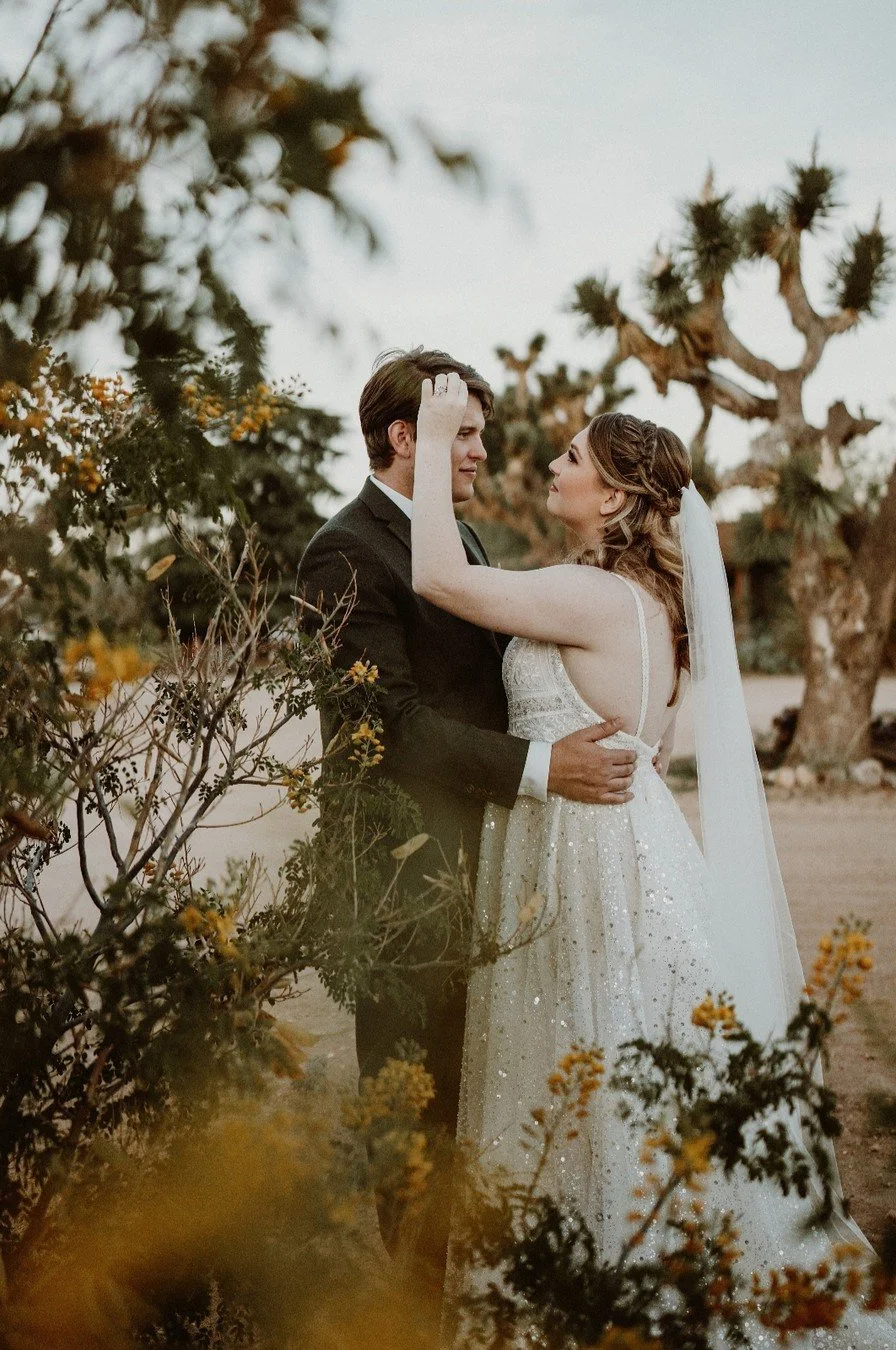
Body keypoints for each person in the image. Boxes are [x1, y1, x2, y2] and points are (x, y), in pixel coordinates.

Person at [409, 371, 895, 1347]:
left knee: (587, 1062)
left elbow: (439, 579)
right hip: (629, 849)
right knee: (622, 1062)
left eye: (572, 457)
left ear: (619, 495)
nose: (553, 464)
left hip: (582, 862)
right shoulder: (649, 605)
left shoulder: (591, 594)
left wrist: (431, 436)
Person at [296, 348, 637, 1300]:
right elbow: (387, 729)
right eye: (466, 433)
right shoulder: (344, 552)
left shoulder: (463, 545)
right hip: (403, 885)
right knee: (412, 1117)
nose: (483, 452)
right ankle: (411, 1313)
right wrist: (542, 769)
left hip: (484, 869)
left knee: (476, 1108)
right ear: (408, 437)